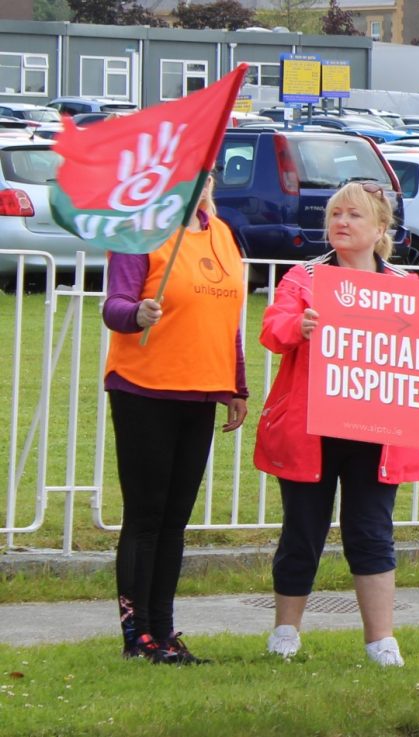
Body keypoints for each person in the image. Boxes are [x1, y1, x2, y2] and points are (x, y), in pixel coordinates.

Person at [255, 182, 419, 666]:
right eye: (335, 214)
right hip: (311, 432)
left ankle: (381, 640)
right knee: (302, 531)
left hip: (377, 433)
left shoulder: (407, 288)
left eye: (354, 216)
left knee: (371, 532)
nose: (341, 223)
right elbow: (271, 330)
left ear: (381, 229)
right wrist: (295, 327)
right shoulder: (302, 278)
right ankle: (285, 632)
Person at [103, 174, 248, 664]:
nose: (199, 183)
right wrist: (135, 314)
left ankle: (163, 631)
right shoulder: (139, 230)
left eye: (206, 174)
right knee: (145, 516)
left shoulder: (221, 233)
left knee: (174, 521)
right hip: (145, 387)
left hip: (201, 388)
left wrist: (236, 385)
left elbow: (228, 317)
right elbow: (114, 305)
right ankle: (136, 635)